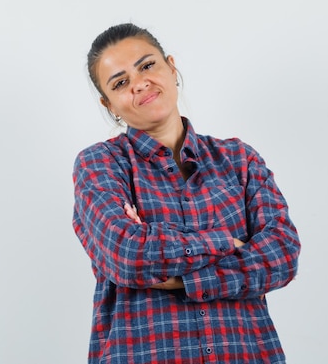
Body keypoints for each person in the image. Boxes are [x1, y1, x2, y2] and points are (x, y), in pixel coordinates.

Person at [72, 23, 301, 364]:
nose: (139, 83)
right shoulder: (100, 164)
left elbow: (282, 254)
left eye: (147, 65)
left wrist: (180, 278)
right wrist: (228, 243)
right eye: (120, 83)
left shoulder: (239, 159)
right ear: (110, 104)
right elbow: (127, 253)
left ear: (171, 67)